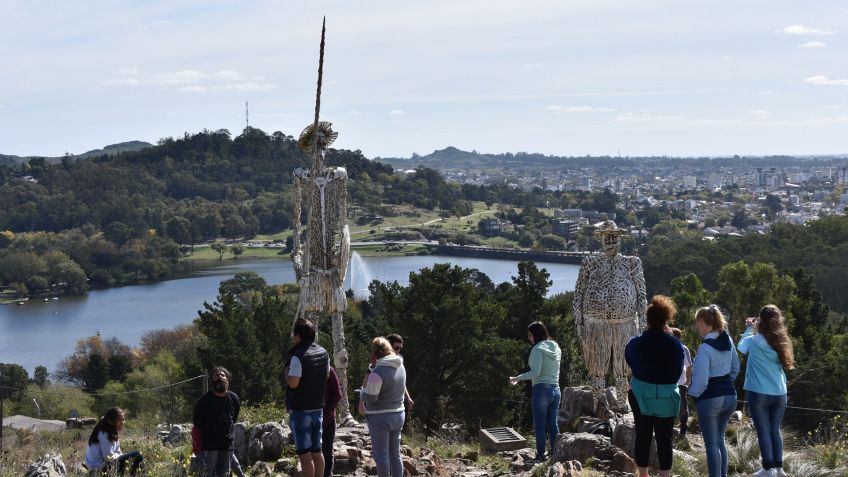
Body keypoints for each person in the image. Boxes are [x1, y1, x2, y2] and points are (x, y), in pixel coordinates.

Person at [573, 220, 647, 407]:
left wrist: (643, 323)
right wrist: (578, 320)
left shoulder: (632, 263)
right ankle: (599, 405)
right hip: (594, 323)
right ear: (601, 239)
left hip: (625, 323)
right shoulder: (590, 262)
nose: (610, 241)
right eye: (607, 237)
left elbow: (641, 293)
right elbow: (579, 292)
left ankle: (622, 405)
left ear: (619, 239)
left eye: (613, 237)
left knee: (623, 369)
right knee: (597, 368)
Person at [624, 296, 684, 477]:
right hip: (666, 397)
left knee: (643, 435)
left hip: (641, 395)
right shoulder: (674, 344)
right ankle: (665, 475)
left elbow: (630, 362)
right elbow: (678, 370)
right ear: (666, 320)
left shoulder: (635, 343)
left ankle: (643, 474)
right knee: (664, 439)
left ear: (647, 320)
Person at [738, 305, 794, 477]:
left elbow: (741, 347)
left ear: (761, 320)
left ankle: (768, 469)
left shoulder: (754, 341)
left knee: (763, 430)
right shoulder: (782, 342)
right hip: (779, 393)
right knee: (774, 430)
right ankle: (779, 468)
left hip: (759, 393)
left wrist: (749, 328)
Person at [689, 305, 740, 477]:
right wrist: (724, 383)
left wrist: (692, 394)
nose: (697, 329)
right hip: (730, 396)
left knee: (711, 444)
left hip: (711, 399)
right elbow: (735, 368)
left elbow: (701, 381)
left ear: (702, 323)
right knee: (720, 441)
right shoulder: (728, 341)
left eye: (697, 325)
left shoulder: (705, 348)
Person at [509, 321, 562, 463]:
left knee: (539, 425)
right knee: (553, 423)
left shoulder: (537, 349)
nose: (529, 338)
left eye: (530, 335)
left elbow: (535, 372)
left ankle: (540, 455)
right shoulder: (556, 346)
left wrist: (517, 378)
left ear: (536, 335)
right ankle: (555, 452)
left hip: (541, 390)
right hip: (556, 390)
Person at [285, 317, 330, 477]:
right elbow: (326, 375)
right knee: (317, 451)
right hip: (318, 407)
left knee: (304, 454)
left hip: (300, 410)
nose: (292, 338)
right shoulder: (323, 352)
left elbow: (293, 383)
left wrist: (286, 373)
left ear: (299, 336)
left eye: (294, 335)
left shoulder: (298, 357)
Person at [361, 337, 407, 477]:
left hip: (380, 417)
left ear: (374, 354)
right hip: (399, 414)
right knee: (395, 455)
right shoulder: (400, 366)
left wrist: (362, 392)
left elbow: (371, 398)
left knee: (381, 456)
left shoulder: (378, 372)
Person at [193, 366, 241, 477]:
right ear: (212, 381)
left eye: (222, 375)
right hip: (210, 445)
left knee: (224, 473)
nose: (219, 377)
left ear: (227, 380)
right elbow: (197, 421)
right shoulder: (204, 400)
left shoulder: (234, 398)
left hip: (227, 444)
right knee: (209, 473)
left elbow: (233, 418)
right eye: (216, 376)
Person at [84, 407, 144, 476]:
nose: (122, 422)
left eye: (123, 420)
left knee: (134, 460)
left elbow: (118, 452)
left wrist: (122, 456)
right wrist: (122, 457)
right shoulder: (103, 433)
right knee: (137, 455)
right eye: (119, 420)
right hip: (99, 470)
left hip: (105, 467)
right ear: (110, 421)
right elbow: (108, 457)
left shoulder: (111, 432)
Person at [670, 327, 694, 436]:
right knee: (669, 407)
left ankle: (683, 429)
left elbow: (689, 366)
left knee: (683, 408)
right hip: (669, 383)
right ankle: (670, 429)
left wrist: (688, 381)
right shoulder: (666, 347)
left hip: (681, 383)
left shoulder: (684, 349)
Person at [322, 367, 342, 477]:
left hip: (328, 418)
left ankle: (327, 474)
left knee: (327, 450)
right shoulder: (309, 370)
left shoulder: (329, 370)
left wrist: (328, 409)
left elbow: (338, 394)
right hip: (313, 417)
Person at [386, 333, 414, 410]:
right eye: (396, 348)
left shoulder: (400, 359)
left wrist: (408, 397)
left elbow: (401, 381)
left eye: (400, 348)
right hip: (384, 405)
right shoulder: (380, 361)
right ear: (388, 346)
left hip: (398, 405)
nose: (398, 351)